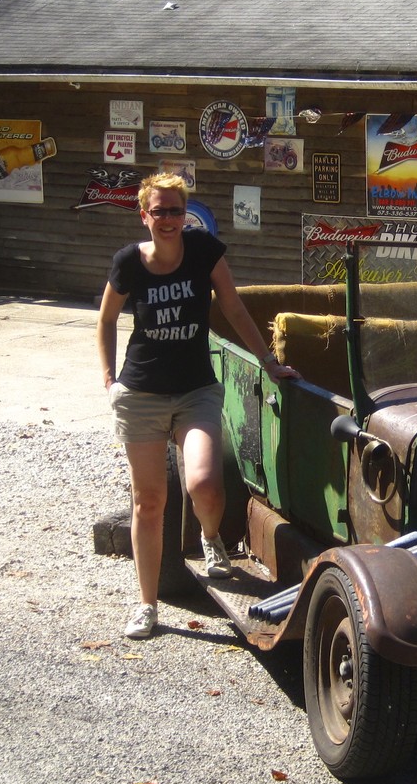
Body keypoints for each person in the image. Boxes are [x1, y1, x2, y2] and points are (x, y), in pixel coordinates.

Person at [97, 173, 298, 640]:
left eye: (175, 210)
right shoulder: (129, 262)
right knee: (149, 503)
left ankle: (210, 538)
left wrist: (269, 362)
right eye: (159, 211)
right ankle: (147, 605)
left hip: (195, 390)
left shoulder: (205, 251)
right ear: (144, 215)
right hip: (141, 393)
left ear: (185, 214)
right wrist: (109, 380)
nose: (168, 219)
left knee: (204, 483)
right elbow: (106, 320)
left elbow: (233, 307)